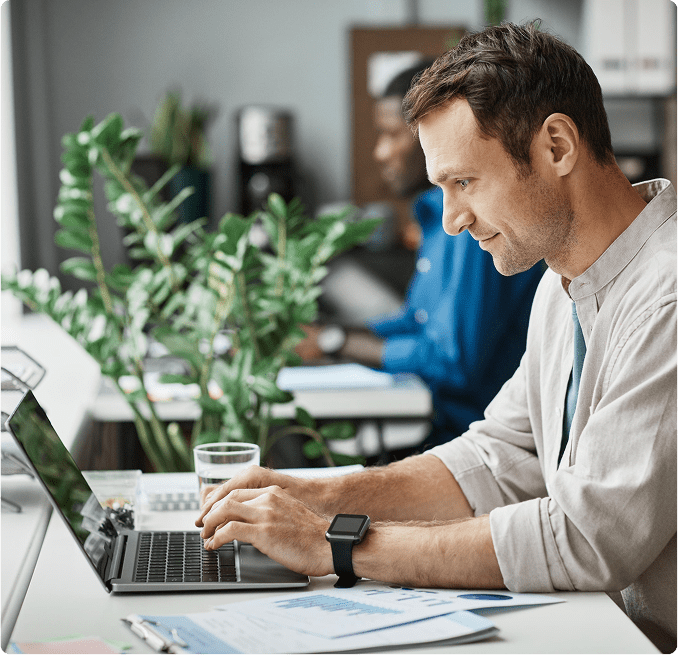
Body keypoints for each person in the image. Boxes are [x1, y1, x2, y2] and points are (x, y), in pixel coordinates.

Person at [197, 22, 676, 651]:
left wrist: (333, 543)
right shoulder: (562, 284)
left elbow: (586, 540)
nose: (450, 221)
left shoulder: (665, 299)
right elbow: (497, 458)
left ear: (557, 147)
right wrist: (311, 493)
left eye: (465, 183)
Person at [298, 62, 544, 452]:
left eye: (392, 134)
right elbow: (417, 319)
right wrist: (331, 334)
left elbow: (452, 360)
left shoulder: (472, 227)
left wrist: (335, 341)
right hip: (441, 426)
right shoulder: (434, 217)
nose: (381, 152)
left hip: (474, 440)